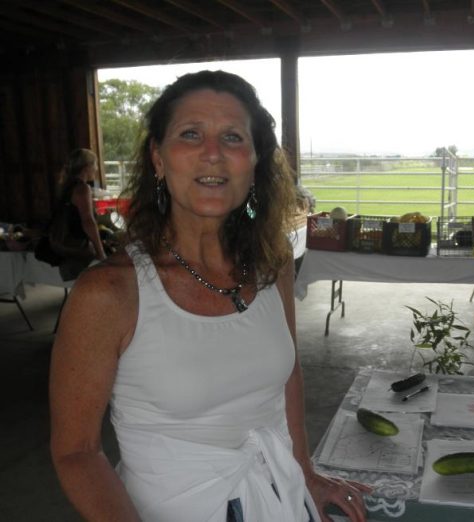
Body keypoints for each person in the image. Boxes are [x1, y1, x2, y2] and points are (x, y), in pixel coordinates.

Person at [49, 71, 370, 522]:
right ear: (158, 158)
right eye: (191, 133)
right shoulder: (110, 293)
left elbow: (288, 373)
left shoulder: (270, 261)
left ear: (255, 161)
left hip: (280, 501)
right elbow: (76, 452)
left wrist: (305, 471)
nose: (213, 153)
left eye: (233, 137)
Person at [47, 148, 107, 279]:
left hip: (63, 241)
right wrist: (100, 251)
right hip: (77, 245)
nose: (96, 168)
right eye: (95, 164)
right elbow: (88, 221)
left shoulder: (65, 185)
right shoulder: (82, 188)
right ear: (87, 167)